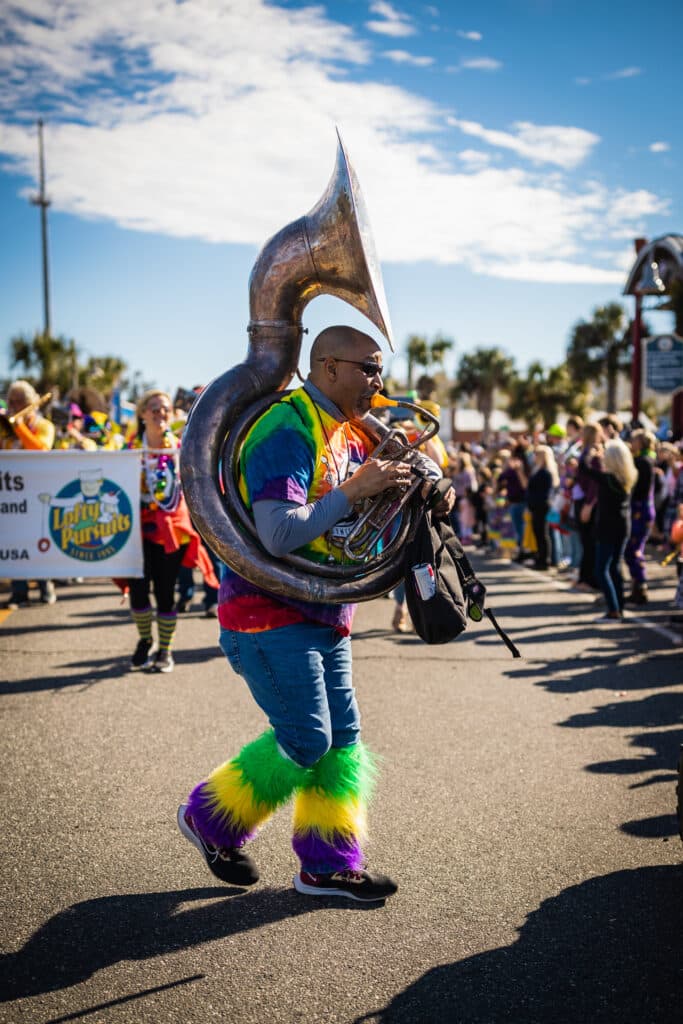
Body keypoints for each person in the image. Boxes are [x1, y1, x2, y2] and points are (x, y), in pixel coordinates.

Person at [178, 326, 451, 903]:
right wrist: (358, 488)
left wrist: (421, 491)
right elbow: (279, 533)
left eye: (380, 370)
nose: (378, 382)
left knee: (343, 740)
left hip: (326, 610)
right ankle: (208, 820)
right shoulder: (287, 427)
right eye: (368, 369)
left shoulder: (350, 432)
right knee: (307, 737)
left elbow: (351, 523)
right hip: (267, 615)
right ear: (327, 366)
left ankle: (327, 865)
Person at [124, 389, 218, 673]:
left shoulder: (179, 448)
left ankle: (165, 651)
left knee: (166, 593)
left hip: (170, 531)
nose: (160, 413)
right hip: (136, 532)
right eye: (153, 408)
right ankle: (145, 639)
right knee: (138, 593)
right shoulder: (128, 451)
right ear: (142, 414)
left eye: (164, 408)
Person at [1, 380, 57, 608]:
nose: (14, 406)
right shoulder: (5, 425)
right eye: (12, 401)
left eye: (19, 402)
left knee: (40, 540)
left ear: (31, 403)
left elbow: (40, 449)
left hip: (38, 493)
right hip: (13, 495)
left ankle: (46, 587)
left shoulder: (44, 425)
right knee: (16, 541)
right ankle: (19, 593)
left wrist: (20, 426)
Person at [582, 438, 638, 621]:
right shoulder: (627, 478)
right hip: (623, 526)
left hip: (608, 528)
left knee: (601, 569)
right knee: (614, 567)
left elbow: (584, 469)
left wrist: (590, 453)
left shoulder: (608, 479)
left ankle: (614, 610)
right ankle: (618, 607)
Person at [623, 429, 655, 605]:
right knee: (633, 549)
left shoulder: (643, 462)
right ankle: (637, 586)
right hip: (641, 509)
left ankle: (640, 586)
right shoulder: (644, 460)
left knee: (634, 549)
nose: (631, 443)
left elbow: (638, 489)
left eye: (634, 440)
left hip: (640, 511)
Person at [526, 444, 559, 570]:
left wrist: (534, 501)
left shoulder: (546, 472)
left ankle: (545, 560)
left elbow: (545, 492)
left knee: (543, 533)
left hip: (541, 506)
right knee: (537, 532)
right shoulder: (537, 470)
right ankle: (540, 558)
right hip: (535, 506)